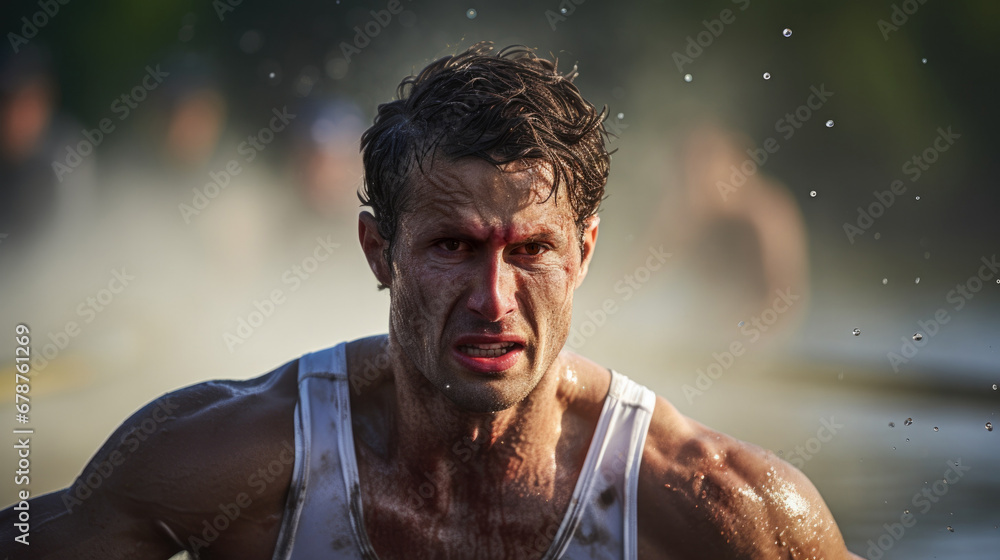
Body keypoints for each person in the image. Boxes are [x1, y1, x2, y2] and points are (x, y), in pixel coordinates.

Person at [1, 42, 862, 560]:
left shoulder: (721, 507)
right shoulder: (225, 461)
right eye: (454, 248)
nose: (495, 299)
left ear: (585, 254)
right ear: (380, 252)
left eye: (531, 251)